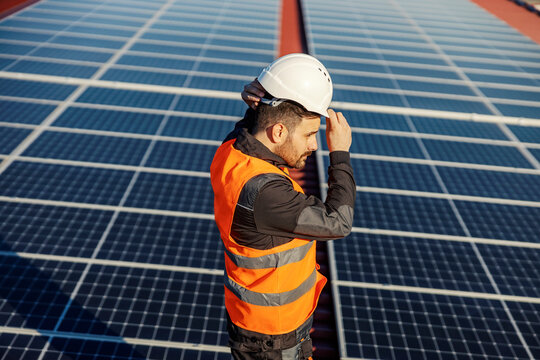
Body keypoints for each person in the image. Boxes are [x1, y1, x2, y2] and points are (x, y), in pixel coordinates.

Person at [210, 53, 356, 360]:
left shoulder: (232, 151)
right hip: (273, 339)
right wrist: (340, 154)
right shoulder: (265, 194)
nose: (315, 146)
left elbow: (251, 128)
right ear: (278, 132)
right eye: (310, 135)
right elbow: (337, 222)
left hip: (258, 325)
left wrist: (257, 106)